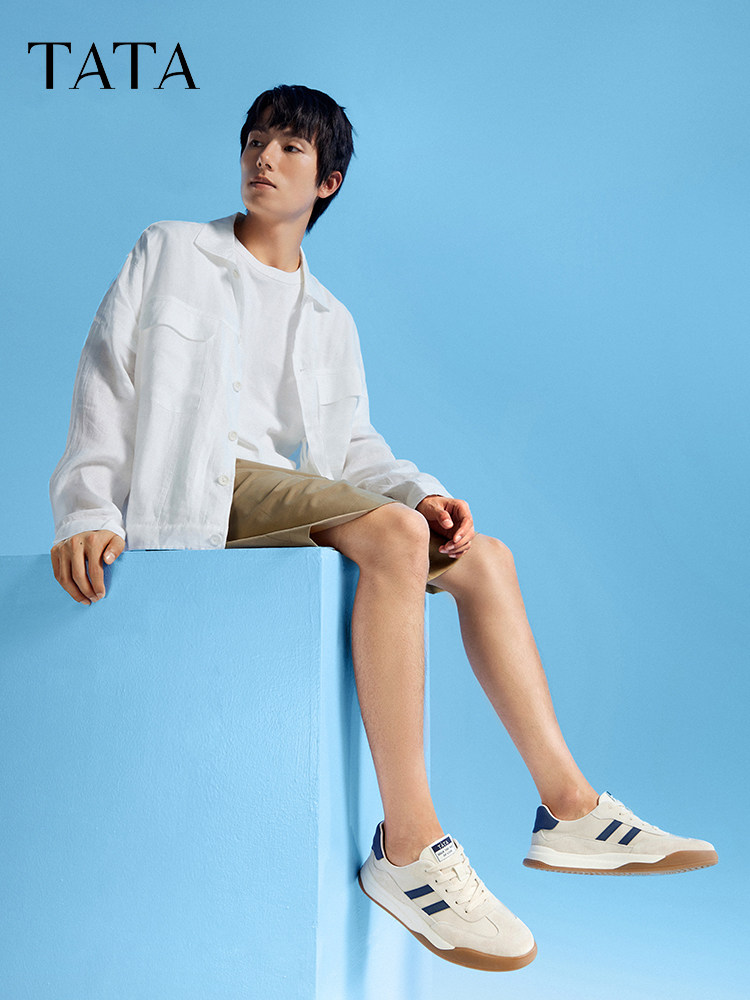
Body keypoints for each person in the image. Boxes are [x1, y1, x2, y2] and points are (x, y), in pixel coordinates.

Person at [49, 84, 718, 973]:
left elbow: (355, 448)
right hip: (197, 489)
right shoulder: (171, 249)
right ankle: (409, 845)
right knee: (396, 538)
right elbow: (107, 376)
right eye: (255, 141)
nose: (263, 158)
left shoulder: (330, 317)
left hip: (284, 491)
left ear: (326, 181)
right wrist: (88, 508)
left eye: (290, 148)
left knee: (484, 557)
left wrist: (424, 493)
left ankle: (571, 808)